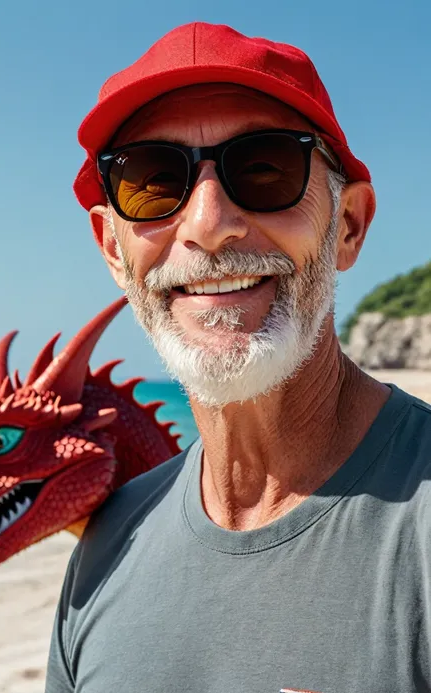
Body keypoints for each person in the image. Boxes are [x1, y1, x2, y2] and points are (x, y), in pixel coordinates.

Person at [45, 22, 431, 693]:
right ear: (112, 249)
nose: (206, 223)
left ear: (348, 226)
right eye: (151, 181)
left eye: (264, 167)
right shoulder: (104, 554)